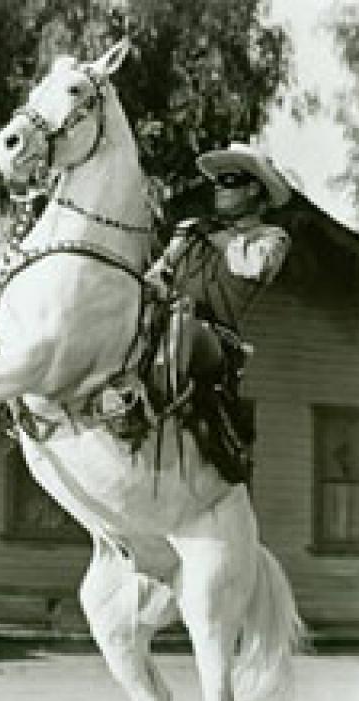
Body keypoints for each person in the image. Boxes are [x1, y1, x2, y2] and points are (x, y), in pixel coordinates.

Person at [140, 142, 294, 482]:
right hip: (163, 322)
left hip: (215, 342)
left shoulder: (270, 238)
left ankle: (150, 409)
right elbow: (157, 274)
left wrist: (219, 237)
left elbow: (251, 266)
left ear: (253, 188)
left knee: (183, 319)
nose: (218, 189)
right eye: (217, 181)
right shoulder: (194, 229)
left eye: (229, 181)